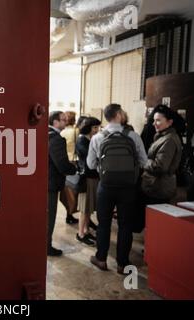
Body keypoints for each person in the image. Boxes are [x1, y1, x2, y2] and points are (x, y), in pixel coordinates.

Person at [87, 104, 147, 274]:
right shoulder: (133, 136)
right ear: (120, 115)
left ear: (106, 117)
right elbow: (143, 161)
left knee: (103, 224)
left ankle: (101, 259)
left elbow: (90, 164)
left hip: (105, 186)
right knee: (125, 225)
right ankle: (122, 263)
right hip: (128, 187)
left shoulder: (97, 137)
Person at [48, 111, 77, 256]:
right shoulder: (56, 139)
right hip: (51, 184)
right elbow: (62, 165)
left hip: (42, 181)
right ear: (55, 122)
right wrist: (74, 168)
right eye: (63, 120)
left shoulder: (42, 134)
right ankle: (46, 246)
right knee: (50, 216)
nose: (66, 122)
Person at [141, 105, 183, 204]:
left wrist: (143, 161)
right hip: (156, 186)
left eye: (158, 120)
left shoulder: (169, 140)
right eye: (154, 120)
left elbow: (160, 167)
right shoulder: (162, 137)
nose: (154, 123)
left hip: (159, 188)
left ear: (169, 122)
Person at [75, 117, 101, 246]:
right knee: (84, 209)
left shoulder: (89, 140)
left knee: (89, 208)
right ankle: (80, 233)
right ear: (89, 127)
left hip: (93, 177)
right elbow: (90, 160)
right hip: (87, 179)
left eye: (98, 127)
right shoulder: (82, 141)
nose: (97, 130)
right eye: (95, 127)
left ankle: (85, 230)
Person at [60, 111, 80, 224]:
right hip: (74, 162)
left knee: (67, 191)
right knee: (75, 190)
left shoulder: (62, 132)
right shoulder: (76, 131)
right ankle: (71, 214)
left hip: (65, 161)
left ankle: (69, 214)